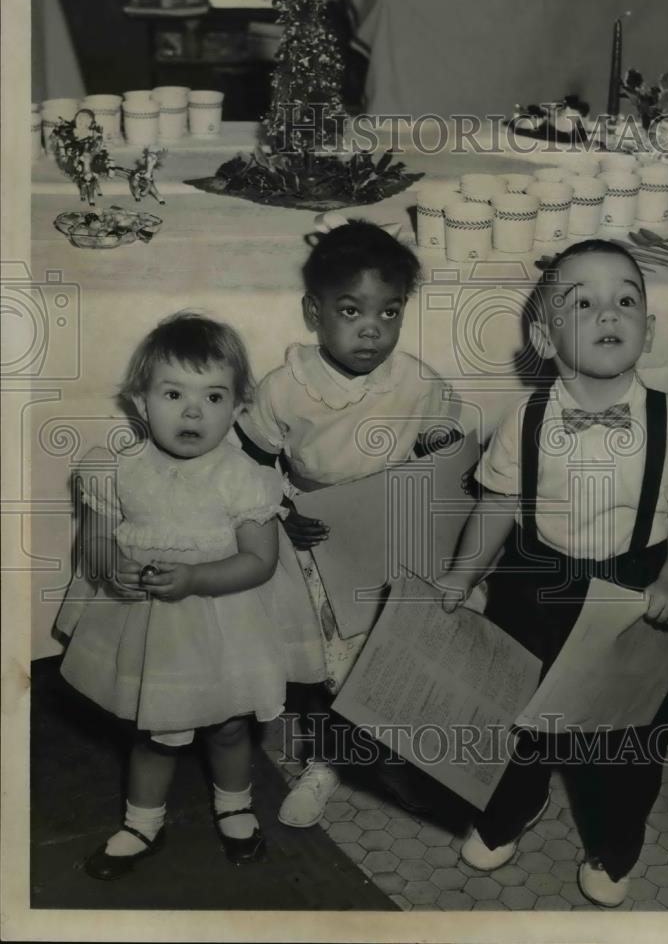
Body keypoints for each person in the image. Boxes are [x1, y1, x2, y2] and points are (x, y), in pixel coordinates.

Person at [437, 239, 668, 907]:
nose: (607, 314)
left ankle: (614, 842)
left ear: (646, 329)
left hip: (633, 588)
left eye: (625, 299)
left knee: (627, 733)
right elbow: (498, 505)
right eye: (583, 302)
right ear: (543, 335)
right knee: (515, 714)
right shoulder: (525, 419)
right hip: (533, 580)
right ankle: (512, 805)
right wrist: (461, 573)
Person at [235, 219, 462, 828]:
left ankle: (393, 755)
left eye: (389, 314)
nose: (371, 330)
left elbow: (444, 439)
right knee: (328, 662)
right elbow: (251, 462)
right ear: (314, 311)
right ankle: (328, 760)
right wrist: (282, 512)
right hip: (317, 541)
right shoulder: (286, 389)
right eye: (351, 310)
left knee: (394, 652)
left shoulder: (415, 381)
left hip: (394, 537)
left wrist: (435, 458)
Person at [55, 312, 288, 879]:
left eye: (213, 396)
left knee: (230, 724)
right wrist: (115, 569)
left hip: (221, 625)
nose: (192, 411)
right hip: (148, 630)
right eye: (173, 393)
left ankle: (234, 805)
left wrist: (195, 579)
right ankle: (142, 821)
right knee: (154, 729)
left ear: (236, 410)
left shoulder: (244, 477)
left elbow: (260, 561)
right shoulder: (117, 471)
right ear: (140, 402)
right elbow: (95, 544)